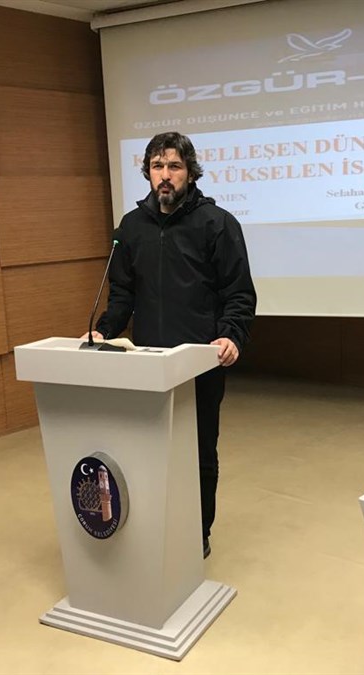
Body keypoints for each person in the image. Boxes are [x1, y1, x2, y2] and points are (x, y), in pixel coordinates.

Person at [83, 131, 256, 559]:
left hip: (199, 362)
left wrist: (231, 334)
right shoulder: (131, 227)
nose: (165, 175)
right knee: (149, 449)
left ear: (190, 172)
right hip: (148, 363)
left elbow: (238, 292)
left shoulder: (217, 224)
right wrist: (104, 331)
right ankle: (156, 528)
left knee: (199, 453)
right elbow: (122, 293)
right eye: (157, 166)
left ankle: (197, 534)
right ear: (147, 172)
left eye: (174, 166)